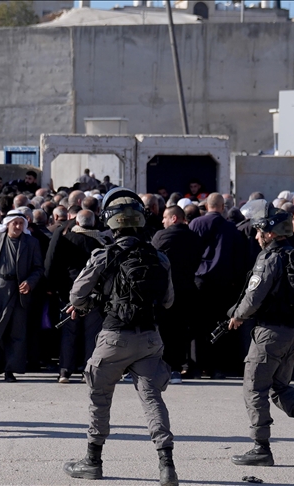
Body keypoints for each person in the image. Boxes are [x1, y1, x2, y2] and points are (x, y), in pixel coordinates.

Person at [62, 187, 178, 486]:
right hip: (150, 338)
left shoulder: (104, 254)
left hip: (114, 337)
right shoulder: (159, 257)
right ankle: (167, 465)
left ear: (110, 223)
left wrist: (90, 302)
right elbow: (167, 302)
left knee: (100, 398)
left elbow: (77, 294)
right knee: (153, 400)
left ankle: (93, 460)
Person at [224, 204, 294, 468]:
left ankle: (261, 447)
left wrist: (237, 316)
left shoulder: (269, 258)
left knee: (254, 388)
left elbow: (254, 296)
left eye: (260, 230)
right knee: (278, 386)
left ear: (270, 233)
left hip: (271, 333)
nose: (257, 236)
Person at [0, 210, 44, 382]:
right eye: (14, 223)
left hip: (19, 291)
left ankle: (10, 369)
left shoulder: (31, 242)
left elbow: (38, 268)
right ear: (7, 224)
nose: (17, 226)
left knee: (17, 331)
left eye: (21, 223)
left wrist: (30, 282)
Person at [188, 193, 248, 379]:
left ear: (206, 206)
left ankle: (198, 366)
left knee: (198, 325)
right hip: (223, 284)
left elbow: (189, 253)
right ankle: (218, 367)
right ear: (223, 207)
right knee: (221, 326)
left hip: (199, 282)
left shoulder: (196, 224)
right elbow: (239, 259)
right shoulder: (231, 228)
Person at [51, 209, 110, 383]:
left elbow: (57, 265)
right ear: (93, 223)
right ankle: (88, 371)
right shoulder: (101, 242)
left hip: (70, 293)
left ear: (77, 222)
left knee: (69, 332)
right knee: (92, 333)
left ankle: (65, 371)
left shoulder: (67, 239)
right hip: (94, 294)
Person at [151, 205, 203, 384]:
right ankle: (176, 369)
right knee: (182, 331)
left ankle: (164, 367)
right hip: (187, 289)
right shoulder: (195, 238)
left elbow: (153, 260)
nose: (162, 221)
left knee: (165, 330)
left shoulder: (161, 236)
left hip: (166, 290)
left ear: (174, 218)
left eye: (165, 217)